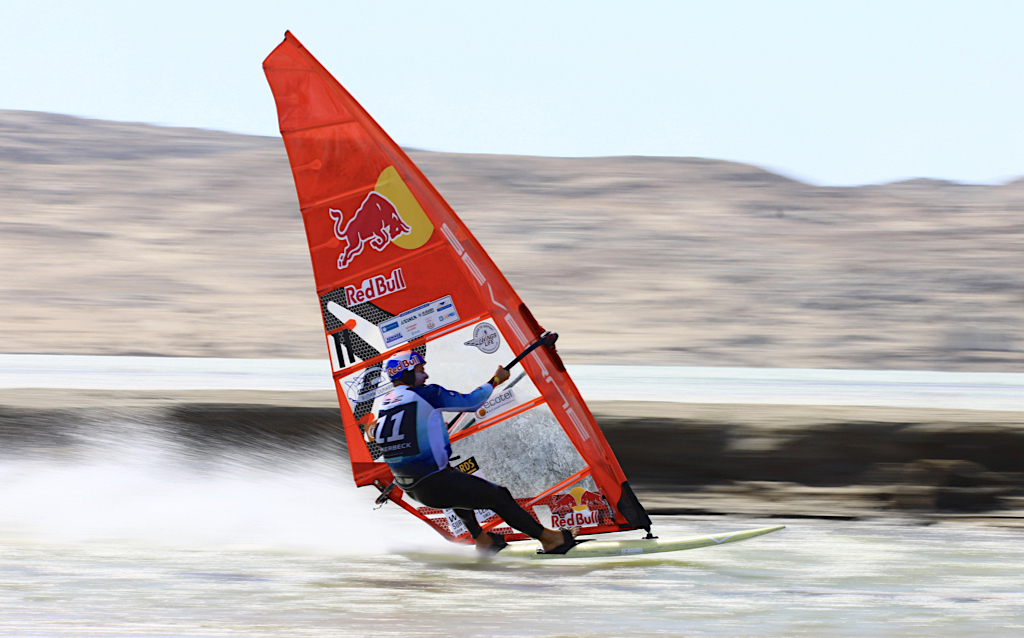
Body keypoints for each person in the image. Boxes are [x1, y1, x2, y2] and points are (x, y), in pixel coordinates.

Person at [366, 350, 578, 555]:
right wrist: (495, 380)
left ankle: (482, 540)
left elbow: (375, 433)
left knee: (456, 488)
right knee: (499, 497)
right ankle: (550, 540)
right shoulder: (427, 393)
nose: (426, 374)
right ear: (408, 372)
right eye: (421, 369)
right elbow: (471, 402)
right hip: (433, 482)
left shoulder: (386, 403)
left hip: (411, 488)